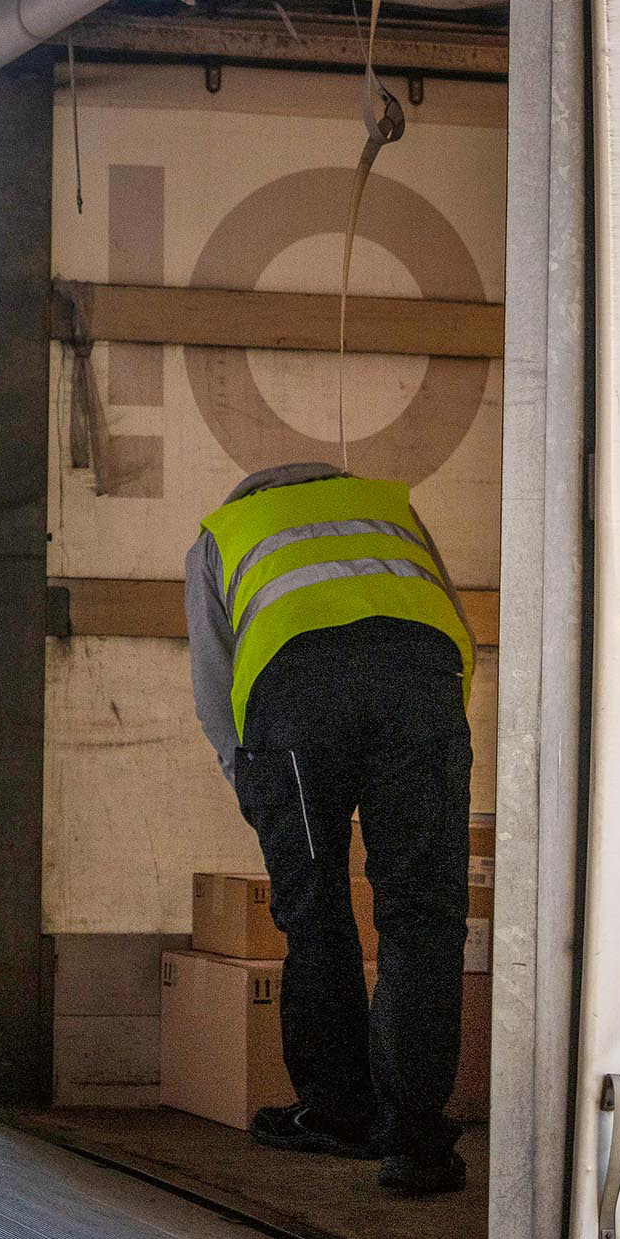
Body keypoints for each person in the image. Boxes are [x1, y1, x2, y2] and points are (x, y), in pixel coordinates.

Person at [186, 461, 476, 1197]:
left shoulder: (224, 533)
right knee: (423, 916)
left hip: (297, 705)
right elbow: (455, 624)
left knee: (315, 910)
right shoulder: (386, 501)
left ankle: (340, 1111)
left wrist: (249, 778)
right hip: (423, 694)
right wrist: (437, 739)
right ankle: (415, 1140)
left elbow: (214, 682)